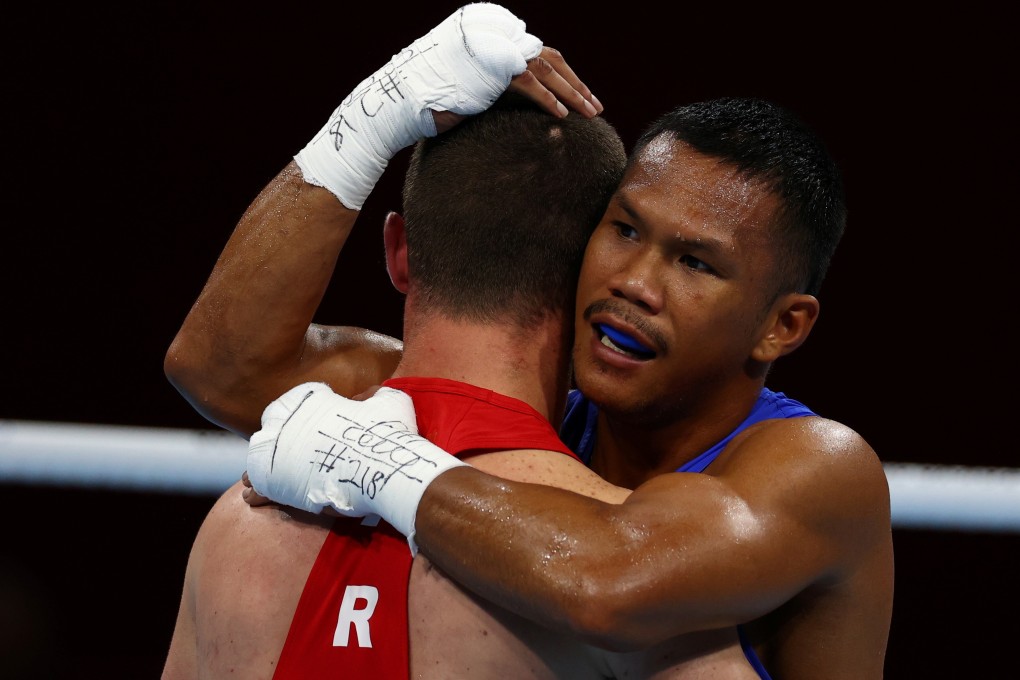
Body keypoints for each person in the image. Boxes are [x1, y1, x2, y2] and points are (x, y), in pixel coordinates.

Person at [163, 4, 754, 678]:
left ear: (398, 250)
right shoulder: (635, 576)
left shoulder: (237, 526)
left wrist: (377, 107)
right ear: (590, 281)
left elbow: (218, 366)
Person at [241, 79, 895, 679]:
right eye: (625, 229)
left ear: (782, 325)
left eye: (695, 263)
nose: (634, 281)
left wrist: (374, 465)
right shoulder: (534, 413)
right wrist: (380, 110)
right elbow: (231, 372)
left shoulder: (822, 469)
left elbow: (610, 587)